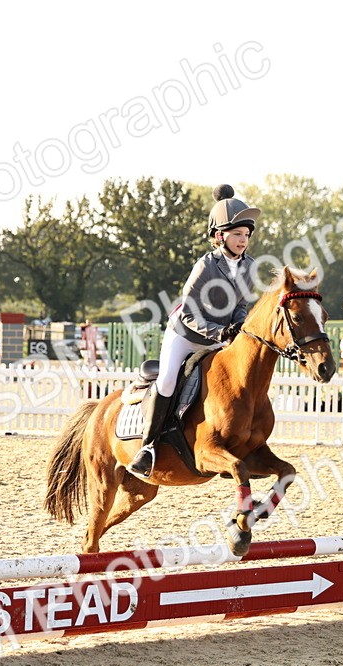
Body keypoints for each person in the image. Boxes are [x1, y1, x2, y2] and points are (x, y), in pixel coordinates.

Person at [127, 184, 259, 479]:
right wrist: (219, 332)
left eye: (246, 235)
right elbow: (188, 312)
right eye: (237, 234)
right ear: (219, 236)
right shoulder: (205, 266)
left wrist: (237, 326)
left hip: (220, 337)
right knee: (168, 380)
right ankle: (147, 448)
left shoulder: (250, 266)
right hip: (185, 336)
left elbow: (241, 304)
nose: (243, 240)